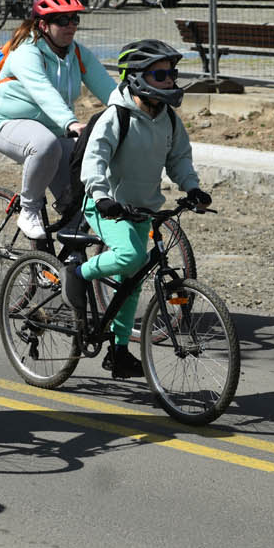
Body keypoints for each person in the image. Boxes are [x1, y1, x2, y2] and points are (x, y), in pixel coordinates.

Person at [68, 38, 209, 379]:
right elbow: (95, 161)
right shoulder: (117, 117)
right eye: (161, 74)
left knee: (131, 280)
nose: (170, 81)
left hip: (141, 209)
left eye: (172, 73)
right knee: (130, 257)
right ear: (137, 78)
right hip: (105, 205)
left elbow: (179, 160)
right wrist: (102, 196)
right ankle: (76, 273)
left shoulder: (169, 120)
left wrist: (192, 187)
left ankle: (118, 352)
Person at [0, 0, 118, 240]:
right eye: (62, 20)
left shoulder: (77, 53)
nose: (70, 26)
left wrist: (135, 115)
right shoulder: (27, 51)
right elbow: (42, 91)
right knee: (44, 145)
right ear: (44, 25)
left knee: (82, 201)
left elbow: (110, 91)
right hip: (9, 125)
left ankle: (65, 259)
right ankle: (29, 209)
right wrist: (70, 122)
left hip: (56, 131)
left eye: (74, 19)